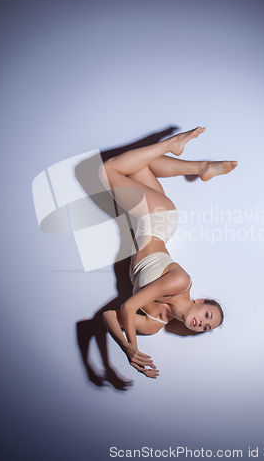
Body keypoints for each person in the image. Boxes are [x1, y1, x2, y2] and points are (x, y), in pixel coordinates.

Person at [100, 127, 237, 378]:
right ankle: (175, 145)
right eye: (207, 315)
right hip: (158, 219)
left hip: (148, 221)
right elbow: (129, 307)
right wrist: (131, 348)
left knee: (142, 162)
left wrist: (127, 345)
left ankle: (202, 168)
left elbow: (111, 316)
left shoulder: (153, 325)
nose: (202, 323)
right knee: (107, 170)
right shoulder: (180, 282)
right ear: (199, 301)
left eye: (206, 327)